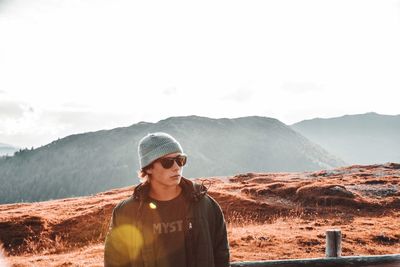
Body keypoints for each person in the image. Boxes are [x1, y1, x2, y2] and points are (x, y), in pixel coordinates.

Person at [104, 132, 230, 267]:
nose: (176, 167)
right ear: (149, 168)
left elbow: (221, 256)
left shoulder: (206, 205)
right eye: (167, 162)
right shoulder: (126, 212)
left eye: (180, 160)